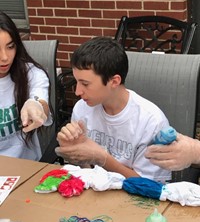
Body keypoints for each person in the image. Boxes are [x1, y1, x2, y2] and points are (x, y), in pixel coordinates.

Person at [56, 36, 171, 182]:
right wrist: (72, 149)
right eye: (76, 81)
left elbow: (150, 187)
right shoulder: (82, 108)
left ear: (114, 81)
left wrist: (103, 159)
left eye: (85, 84)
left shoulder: (151, 122)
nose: (77, 91)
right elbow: (85, 171)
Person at [0, 11, 52, 160]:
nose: (4, 57)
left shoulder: (31, 73)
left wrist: (36, 105)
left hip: (26, 167)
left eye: (10, 47)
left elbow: (41, 99)